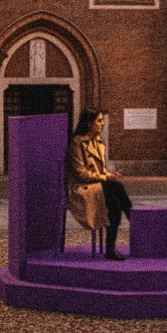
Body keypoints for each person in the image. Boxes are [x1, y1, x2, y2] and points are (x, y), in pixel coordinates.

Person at [66, 109, 132, 260]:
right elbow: (81, 173)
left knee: (115, 200)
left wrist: (107, 175)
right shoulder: (77, 143)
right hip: (81, 188)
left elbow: (100, 171)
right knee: (116, 188)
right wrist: (105, 176)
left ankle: (111, 248)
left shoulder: (98, 141)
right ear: (89, 123)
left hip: (96, 184)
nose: (102, 124)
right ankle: (134, 221)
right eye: (99, 121)